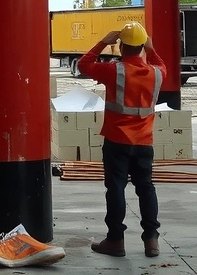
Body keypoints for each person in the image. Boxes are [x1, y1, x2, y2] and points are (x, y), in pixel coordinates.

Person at [78, 21, 166, 259]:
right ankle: (151, 240)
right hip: (144, 142)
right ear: (142, 46)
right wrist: (151, 49)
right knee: (146, 188)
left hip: (117, 141)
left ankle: (115, 240)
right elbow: (159, 62)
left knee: (115, 188)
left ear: (120, 46)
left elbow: (83, 64)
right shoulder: (157, 73)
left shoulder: (114, 71)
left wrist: (102, 43)